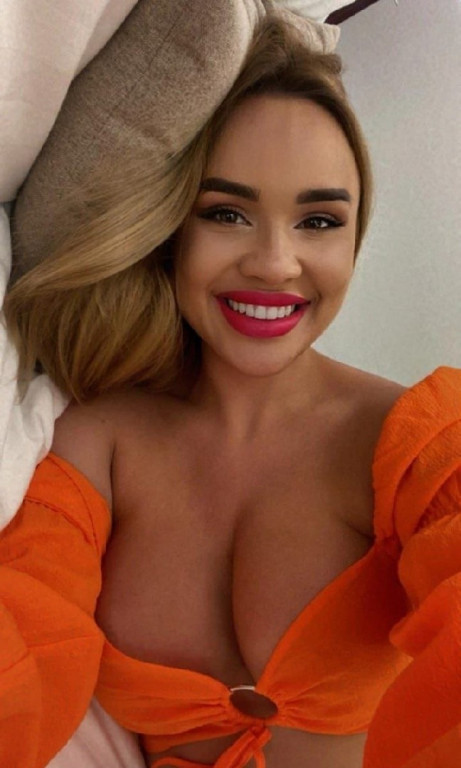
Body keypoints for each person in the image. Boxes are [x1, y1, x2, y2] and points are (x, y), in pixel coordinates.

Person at [2, 12, 461, 768]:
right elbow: (19, 650)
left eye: (318, 221)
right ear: (171, 229)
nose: (275, 263)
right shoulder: (95, 443)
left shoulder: (417, 446)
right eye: (226, 213)